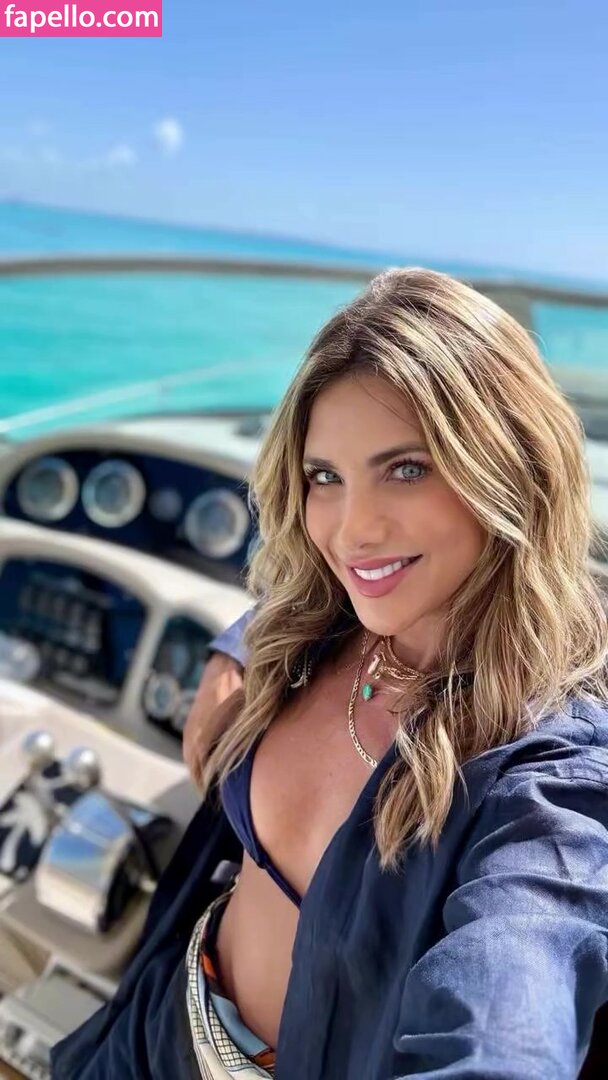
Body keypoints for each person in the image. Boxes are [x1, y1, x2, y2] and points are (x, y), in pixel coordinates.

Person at [53, 268, 608, 1079]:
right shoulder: (333, 622)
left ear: (508, 468)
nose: (352, 531)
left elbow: (507, 1015)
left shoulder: (551, 775)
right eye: (325, 478)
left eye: (407, 468)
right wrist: (241, 643)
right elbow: (305, 586)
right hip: (159, 1019)